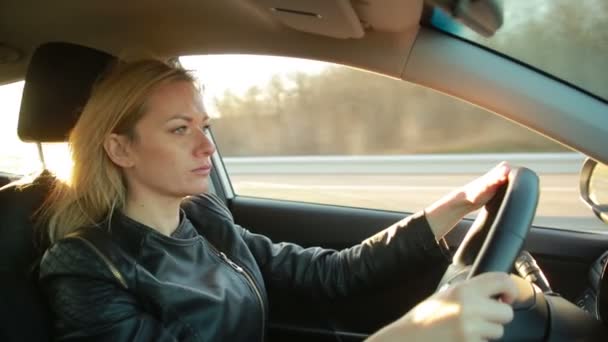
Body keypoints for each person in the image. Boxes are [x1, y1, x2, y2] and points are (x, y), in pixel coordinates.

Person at [37, 59, 518, 341]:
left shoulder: (204, 218)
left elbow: (329, 273)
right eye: (180, 130)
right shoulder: (87, 266)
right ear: (121, 148)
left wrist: (457, 204)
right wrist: (409, 334)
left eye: (205, 128)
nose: (206, 147)